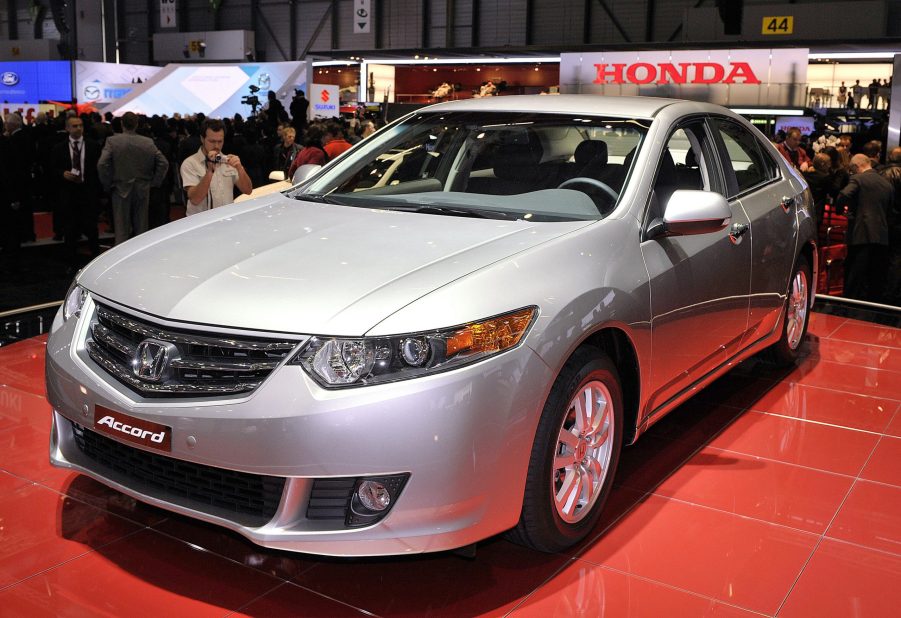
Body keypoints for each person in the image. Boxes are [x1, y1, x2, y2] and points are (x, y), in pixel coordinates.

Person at [97, 112, 169, 245]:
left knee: (121, 230)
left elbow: (102, 164)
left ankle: (121, 261)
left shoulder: (112, 141)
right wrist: (154, 182)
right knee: (142, 229)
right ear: (137, 124)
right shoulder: (147, 142)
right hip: (143, 189)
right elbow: (163, 163)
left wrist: (107, 183)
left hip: (120, 188)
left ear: (121, 124)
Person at [835, 153, 894, 302]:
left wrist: (841, 211)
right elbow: (890, 211)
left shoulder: (858, 179)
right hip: (881, 236)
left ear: (856, 167)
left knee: (854, 276)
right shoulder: (887, 184)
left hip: (860, 234)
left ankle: (848, 308)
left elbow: (843, 195)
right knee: (875, 278)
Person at [51, 115, 101, 266]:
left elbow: (98, 170)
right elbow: (51, 169)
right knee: (70, 230)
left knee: (92, 228)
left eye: (80, 125)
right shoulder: (58, 148)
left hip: (88, 193)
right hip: (68, 194)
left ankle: (95, 260)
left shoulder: (93, 146)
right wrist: (62, 174)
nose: (78, 128)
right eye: (74, 126)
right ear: (67, 128)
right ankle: (70, 262)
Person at [181, 118, 253, 216]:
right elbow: (195, 199)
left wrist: (240, 169)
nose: (216, 146)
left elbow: (248, 190)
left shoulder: (227, 161)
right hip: (200, 222)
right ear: (202, 139)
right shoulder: (190, 163)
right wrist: (210, 171)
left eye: (220, 141)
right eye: (212, 141)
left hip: (226, 219)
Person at [878, 147, 901, 305]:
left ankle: (883, 292)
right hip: (898, 223)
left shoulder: (880, 174)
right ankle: (892, 293)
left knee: (883, 258)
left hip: (884, 222)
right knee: (896, 259)